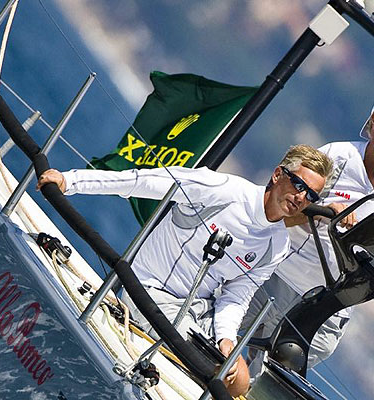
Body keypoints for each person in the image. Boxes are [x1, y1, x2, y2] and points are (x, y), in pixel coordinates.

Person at [36, 144, 333, 396]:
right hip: (148, 294)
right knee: (215, 373)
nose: (301, 197)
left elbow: (237, 295)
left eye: (312, 195)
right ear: (278, 174)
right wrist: (70, 181)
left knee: (239, 383)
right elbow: (144, 181)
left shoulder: (277, 244)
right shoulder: (225, 190)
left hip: (195, 316)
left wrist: (227, 340)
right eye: (298, 184)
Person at [242, 88, 374, 374]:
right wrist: (322, 214)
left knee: (266, 382)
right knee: (217, 348)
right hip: (279, 278)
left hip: (329, 308)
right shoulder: (338, 156)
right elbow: (282, 213)